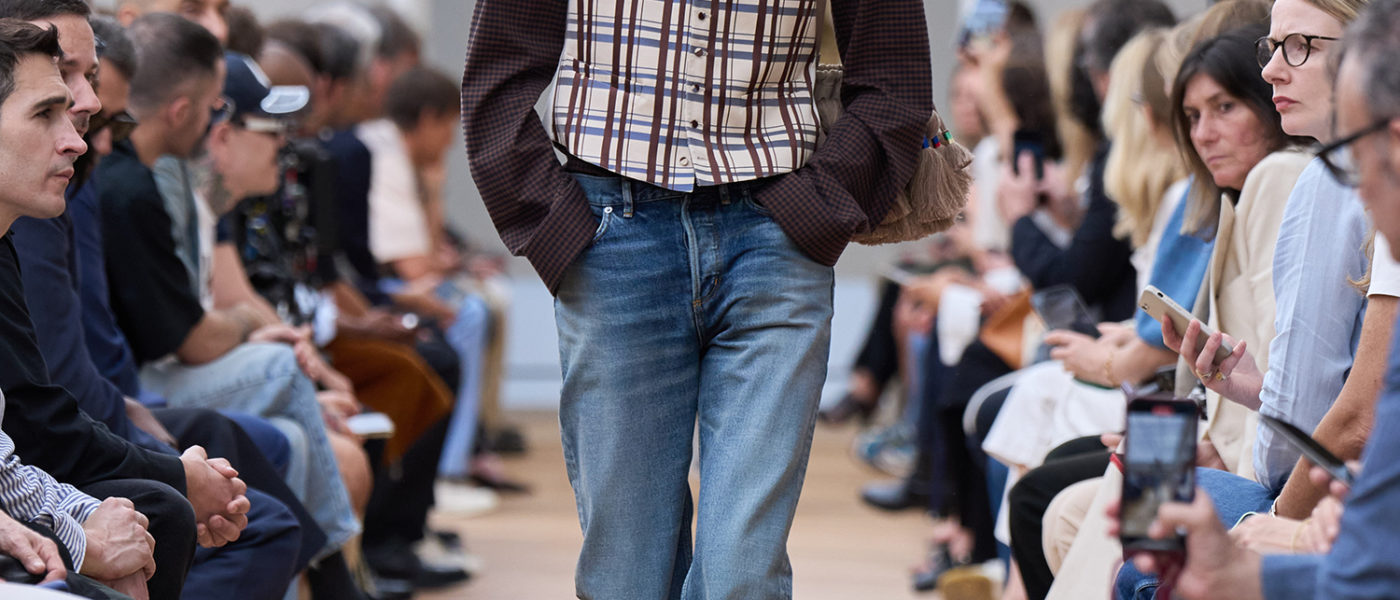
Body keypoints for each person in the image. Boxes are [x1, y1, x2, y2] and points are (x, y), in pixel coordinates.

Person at [463, 0, 936, 596]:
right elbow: (498, 68)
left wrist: (818, 209)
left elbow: (894, 76)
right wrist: (554, 226)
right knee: (626, 575)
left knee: (743, 574)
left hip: (775, 238)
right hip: (613, 233)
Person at [1128, 1, 1400, 596]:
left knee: (1142, 528)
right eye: (1271, 48)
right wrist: (1258, 389)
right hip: (1334, 494)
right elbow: (1342, 404)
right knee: (1131, 493)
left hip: (1318, 499)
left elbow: (1356, 417)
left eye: (1300, 46)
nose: (1273, 68)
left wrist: (1280, 526)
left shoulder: (1319, 178)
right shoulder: (1317, 176)